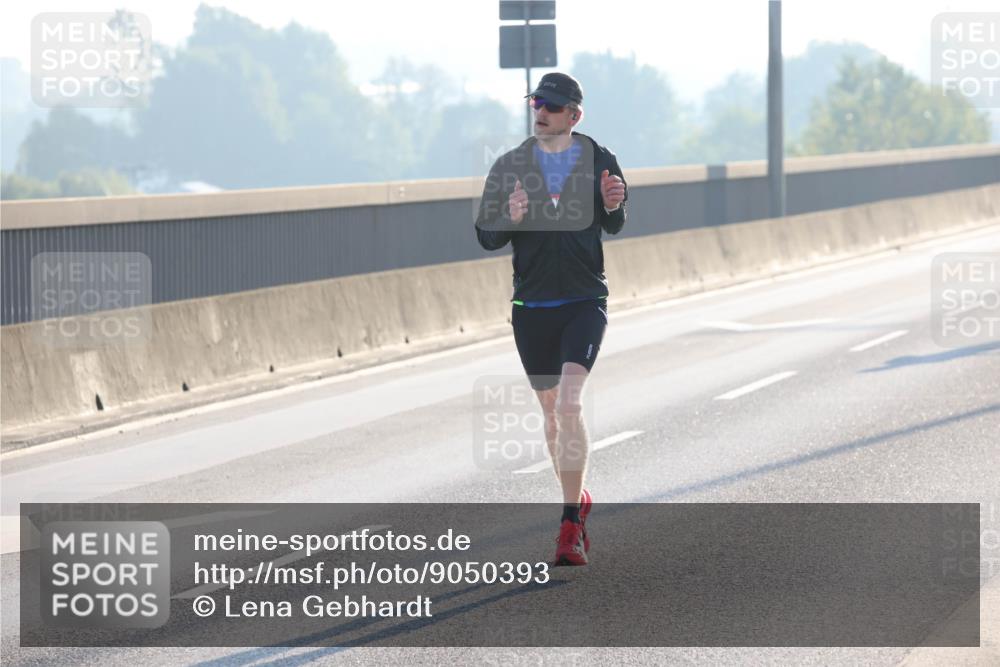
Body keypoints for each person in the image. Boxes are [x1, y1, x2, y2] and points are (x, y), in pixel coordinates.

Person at [474, 72, 627, 566]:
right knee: (550, 413)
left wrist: (613, 204)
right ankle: (577, 498)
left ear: (574, 116)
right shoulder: (509, 167)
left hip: (584, 300)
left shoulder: (599, 159)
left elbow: (615, 221)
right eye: (538, 102)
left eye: (553, 106)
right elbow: (486, 235)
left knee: (568, 402)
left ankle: (568, 526)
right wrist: (511, 218)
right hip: (532, 307)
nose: (541, 111)